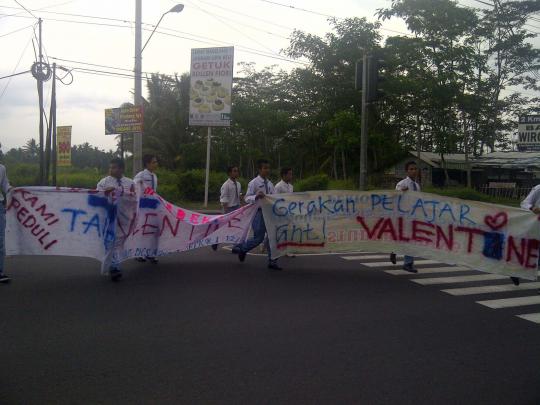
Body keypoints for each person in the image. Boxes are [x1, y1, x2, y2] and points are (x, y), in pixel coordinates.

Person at [232, 159, 282, 271]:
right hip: (258, 213)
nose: (267, 170)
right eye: (265, 168)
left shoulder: (270, 184)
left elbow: (274, 198)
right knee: (258, 238)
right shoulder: (253, 183)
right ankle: (243, 249)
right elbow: (247, 198)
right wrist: (256, 196)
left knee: (272, 237)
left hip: (269, 213)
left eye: (268, 168)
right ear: (260, 169)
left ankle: (272, 261)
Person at [97, 158, 135, 282]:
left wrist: (125, 194)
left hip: (124, 218)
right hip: (109, 217)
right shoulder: (104, 182)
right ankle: (114, 267)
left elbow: (135, 199)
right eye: (110, 167)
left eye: (114, 167)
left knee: (119, 243)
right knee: (111, 242)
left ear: (121, 169)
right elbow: (96, 197)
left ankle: (114, 265)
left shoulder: (130, 183)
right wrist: (105, 194)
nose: (111, 170)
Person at [390, 161, 420, 273]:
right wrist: (401, 192)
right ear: (407, 171)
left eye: (415, 169)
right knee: (402, 238)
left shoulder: (417, 186)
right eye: (411, 169)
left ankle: (408, 263)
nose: (414, 171)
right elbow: (394, 196)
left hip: (413, 217)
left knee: (410, 239)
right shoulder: (402, 184)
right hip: (402, 216)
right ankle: (394, 251)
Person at [512, 185, 540, 288]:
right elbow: (524, 203)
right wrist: (532, 208)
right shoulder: (539, 188)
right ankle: (515, 272)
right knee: (528, 255)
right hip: (535, 228)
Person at [134, 154, 159, 264]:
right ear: (147, 163)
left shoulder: (154, 176)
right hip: (143, 207)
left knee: (153, 230)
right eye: (153, 162)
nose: (156, 164)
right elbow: (134, 186)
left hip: (153, 207)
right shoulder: (141, 175)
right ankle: (140, 254)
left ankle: (151, 254)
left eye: (156, 162)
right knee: (142, 230)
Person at [212, 166, 242, 251]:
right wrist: (225, 213)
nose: (236, 173)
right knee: (224, 227)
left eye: (237, 171)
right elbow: (224, 199)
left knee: (236, 227)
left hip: (236, 208)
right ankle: (215, 240)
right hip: (228, 208)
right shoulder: (226, 185)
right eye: (234, 171)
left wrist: (241, 206)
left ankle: (235, 246)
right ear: (229, 173)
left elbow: (238, 196)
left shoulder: (238, 184)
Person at [0, 163, 11, 284]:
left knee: (1, 240)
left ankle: (0, 272)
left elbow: (4, 184)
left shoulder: (2, 168)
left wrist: (10, 189)